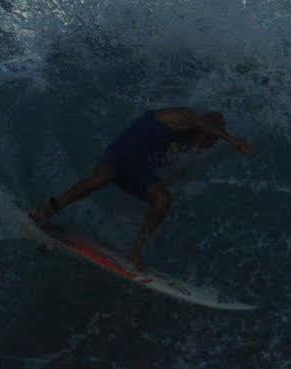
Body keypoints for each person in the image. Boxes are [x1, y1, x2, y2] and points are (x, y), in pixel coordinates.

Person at [31, 108, 253, 269]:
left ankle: (135, 250)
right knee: (102, 178)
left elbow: (174, 173)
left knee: (163, 200)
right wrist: (234, 141)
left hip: (138, 170)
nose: (210, 145)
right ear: (209, 131)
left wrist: (157, 197)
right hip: (121, 154)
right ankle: (49, 209)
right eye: (212, 139)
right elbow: (200, 123)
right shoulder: (184, 117)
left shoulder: (191, 144)